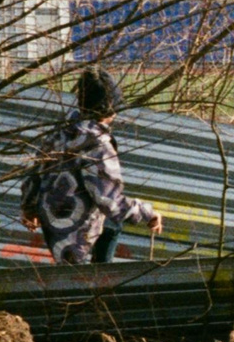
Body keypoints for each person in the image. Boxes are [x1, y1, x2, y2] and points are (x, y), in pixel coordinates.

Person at [20, 68, 159, 265]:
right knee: (109, 232)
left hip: (54, 227)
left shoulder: (59, 133)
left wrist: (28, 207)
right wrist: (148, 213)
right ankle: (103, 279)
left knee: (110, 227)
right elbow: (109, 200)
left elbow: (35, 172)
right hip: (79, 235)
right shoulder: (97, 145)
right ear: (109, 108)